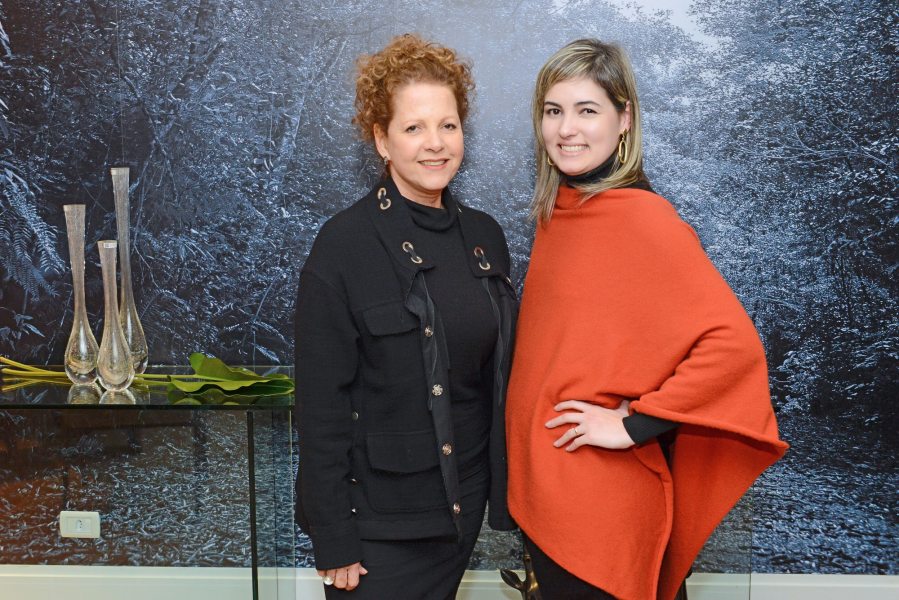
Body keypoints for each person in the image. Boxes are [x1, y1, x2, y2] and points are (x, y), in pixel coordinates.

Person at [506, 38, 788, 600]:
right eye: (553, 111)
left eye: (587, 110)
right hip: (552, 494)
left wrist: (634, 424)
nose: (567, 129)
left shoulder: (644, 219)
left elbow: (734, 348)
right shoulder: (563, 213)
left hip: (598, 510)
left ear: (624, 120)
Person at [294, 34, 517, 599]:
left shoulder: (485, 238)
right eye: (414, 127)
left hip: (462, 507)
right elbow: (320, 405)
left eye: (448, 125)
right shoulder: (343, 245)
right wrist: (333, 536)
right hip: (379, 526)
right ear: (382, 140)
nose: (435, 143)